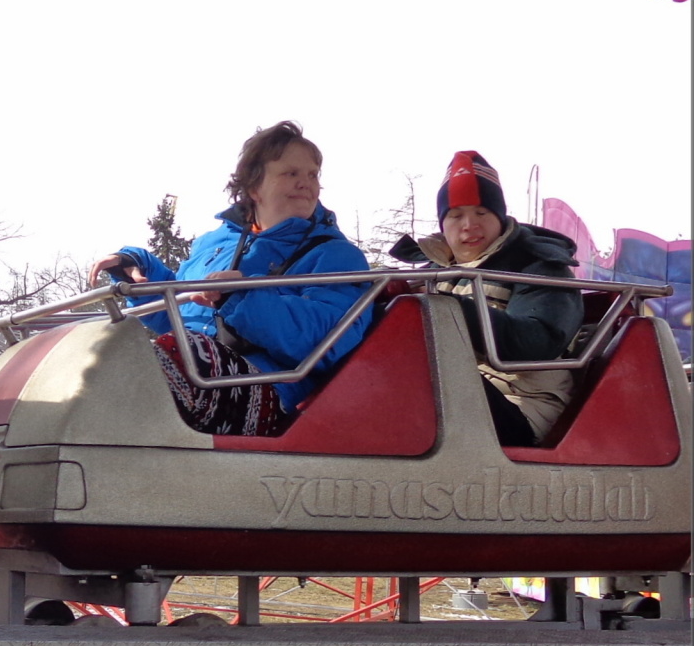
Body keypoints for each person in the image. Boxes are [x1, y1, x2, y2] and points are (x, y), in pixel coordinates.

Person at [88, 121, 373, 437]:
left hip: (267, 387)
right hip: (194, 367)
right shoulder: (215, 244)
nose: (305, 184)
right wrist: (138, 268)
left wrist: (241, 297)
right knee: (97, 357)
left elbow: (329, 339)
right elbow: (178, 316)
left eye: (312, 175)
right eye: (291, 173)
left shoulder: (335, 256)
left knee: (180, 358)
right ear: (254, 187)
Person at [390, 150, 584, 447]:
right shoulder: (433, 272)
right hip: (463, 394)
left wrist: (446, 312)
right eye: (456, 215)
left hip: (522, 407)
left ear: (500, 216)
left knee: (409, 373)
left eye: (481, 212)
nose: (469, 224)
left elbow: (536, 342)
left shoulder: (539, 266)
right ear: (443, 223)